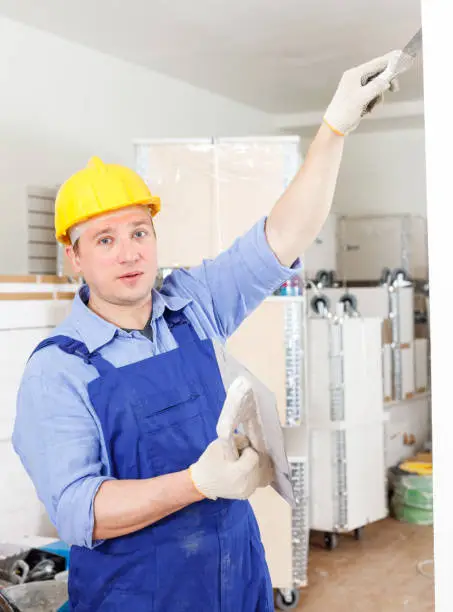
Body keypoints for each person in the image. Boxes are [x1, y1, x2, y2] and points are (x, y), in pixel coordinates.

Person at [13, 50, 403, 611]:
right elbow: (82, 511)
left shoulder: (191, 306)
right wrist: (196, 482)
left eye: (139, 232)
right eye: (104, 240)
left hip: (238, 585)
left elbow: (284, 235)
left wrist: (333, 129)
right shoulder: (58, 370)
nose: (129, 253)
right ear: (74, 256)